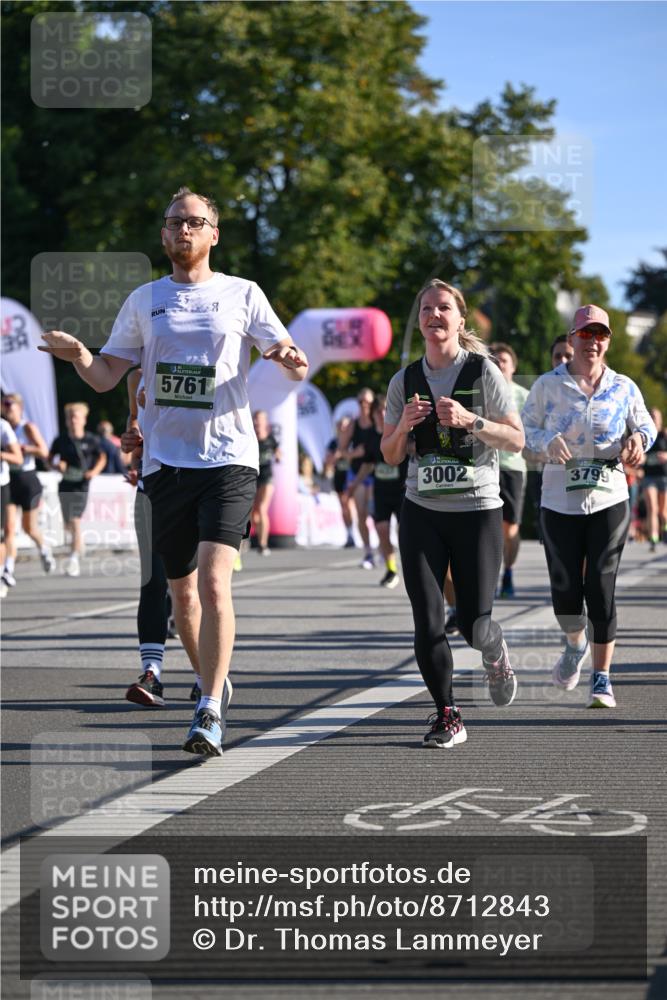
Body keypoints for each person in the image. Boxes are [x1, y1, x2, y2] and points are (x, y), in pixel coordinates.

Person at [41, 185, 309, 757]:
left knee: (214, 583)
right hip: (166, 463)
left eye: (195, 221)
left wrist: (290, 360)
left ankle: (209, 707)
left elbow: (286, 356)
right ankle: (214, 676)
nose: (183, 230)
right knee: (181, 596)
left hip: (229, 458)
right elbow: (108, 374)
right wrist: (80, 355)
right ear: (163, 235)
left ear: (214, 233)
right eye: (174, 222)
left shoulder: (243, 294)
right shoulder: (145, 299)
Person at [382, 279, 524, 749]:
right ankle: (448, 713)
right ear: (419, 319)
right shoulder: (404, 381)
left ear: (460, 320)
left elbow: (517, 439)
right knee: (426, 619)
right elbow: (390, 455)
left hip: (478, 509)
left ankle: (494, 651)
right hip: (421, 509)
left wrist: (470, 421)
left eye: (444, 308)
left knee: (473, 624)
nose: (434, 315)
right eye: (426, 308)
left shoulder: (483, 372)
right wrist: (403, 425)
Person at [522, 304, 657, 708]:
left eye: (601, 335)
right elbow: (522, 431)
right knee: (566, 592)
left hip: (610, 496)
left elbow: (646, 424)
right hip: (559, 500)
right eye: (585, 334)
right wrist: (546, 442)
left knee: (601, 585)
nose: (593, 342)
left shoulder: (624, 386)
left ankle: (602, 678)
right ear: (571, 338)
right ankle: (573, 645)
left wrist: (638, 441)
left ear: (608, 341)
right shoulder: (547, 386)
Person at [121, 369, 172, 708]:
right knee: (153, 580)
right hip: (151, 486)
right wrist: (133, 436)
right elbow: (135, 421)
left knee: (197, 587)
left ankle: (207, 679)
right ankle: (151, 673)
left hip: (201, 484)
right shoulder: (135, 374)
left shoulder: (204, 349)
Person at [344, 395, 406, 588]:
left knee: (404, 533)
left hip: (403, 491)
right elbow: (368, 464)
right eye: (377, 411)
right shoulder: (371, 436)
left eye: (384, 410)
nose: (381, 414)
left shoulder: (400, 432)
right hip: (381, 491)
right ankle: (391, 569)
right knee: (381, 530)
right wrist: (354, 484)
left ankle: (412, 567)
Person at [524, 335, 575, 543]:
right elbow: (525, 436)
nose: (562, 360)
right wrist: (545, 448)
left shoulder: (597, 389)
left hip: (588, 481)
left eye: (568, 355)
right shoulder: (542, 390)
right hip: (550, 479)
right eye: (557, 356)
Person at [1, 393, 55, 587]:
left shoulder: (27, 427)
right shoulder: (4, 428)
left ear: (19, 407)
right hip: (9, 479)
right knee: (8, 528)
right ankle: (8, 569)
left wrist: (24, 449)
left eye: (10, 404)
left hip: (27, 479)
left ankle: (44, 549)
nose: (6, 407)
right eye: (3, 404)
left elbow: (44, 451)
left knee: (29, 528)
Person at [489, 343, 529, 598]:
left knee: (509, 527)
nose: (500, 364)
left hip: (513, 466)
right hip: (484, 466)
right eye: (495, 360)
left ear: (513, 367)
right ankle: (488, 577)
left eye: (504, 360)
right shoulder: (480, 393)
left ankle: (509, 573)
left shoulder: (523, 396)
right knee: (486, 524)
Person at [49, 402, 107, 577]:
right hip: (65, 483)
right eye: (69, 417)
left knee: (74, 520)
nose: (73, 420)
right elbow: (49, 458)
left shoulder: (91, 440)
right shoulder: (61, 440)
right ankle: (78, 546)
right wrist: (56, 465)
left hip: (81, 484)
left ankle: (73, 559)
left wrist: (94, 471)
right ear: (66, 421)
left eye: (76, 417)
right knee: (68, 524)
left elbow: (102, 457)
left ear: (83, 419)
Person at [339, 388, 376, 568]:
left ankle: (385, 549)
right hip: (358, 474)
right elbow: (342, 452)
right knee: (361, 513)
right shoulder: (353, 425)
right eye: (361, 401)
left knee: (375, 512)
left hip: (375, 473)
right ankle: (368, 552)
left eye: (367, 402)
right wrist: (355, 453)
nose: (364, 405)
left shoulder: (379, 421)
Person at [251, 410, 281, 556]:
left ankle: (263, 544)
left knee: (262, 509)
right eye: (255, 419)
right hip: (252, 476)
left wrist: (279, 456)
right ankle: (256, 537)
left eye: (260, 419)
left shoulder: (270, 439)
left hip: (267, 477)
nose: (257, 422)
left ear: (265, 422)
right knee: (253, 513)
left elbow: (278, 452)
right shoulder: (249, 437)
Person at [324, 417, 356, 548]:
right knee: (343, 505)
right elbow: (327, 462)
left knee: (349, 503)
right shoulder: (333, 443)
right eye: (340, 426)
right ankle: (349, 533)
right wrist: (335, 456)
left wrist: (346, 454)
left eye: (345, 426)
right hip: (339, 476)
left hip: (353, 476)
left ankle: (355, 531)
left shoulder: (353, 441)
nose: (343, 428)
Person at [1, 417, 23, 598]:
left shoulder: (2, 426)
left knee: (5, 533)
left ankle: (3, 573)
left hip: (2, 485)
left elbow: (18, 457)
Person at [641, 407, 667, 552]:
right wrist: (640, 458)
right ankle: (653, 539)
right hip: (648, 476)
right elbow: (638, 455)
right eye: (651, 416)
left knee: (663, 511)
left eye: (656, 417)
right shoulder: (644, 435)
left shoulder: (665, 435)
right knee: (652, 507)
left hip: (664, 476)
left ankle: (665, 529)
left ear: (660, 419)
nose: (653, 419)